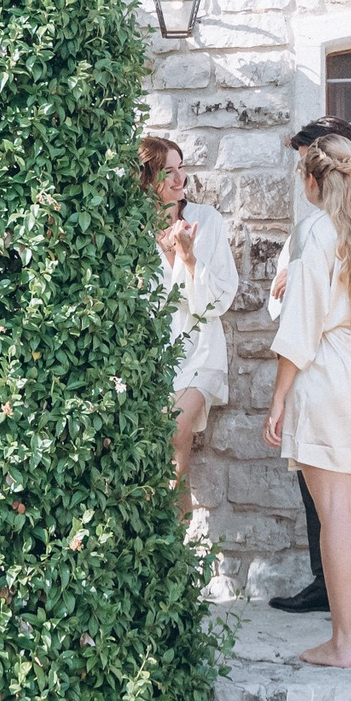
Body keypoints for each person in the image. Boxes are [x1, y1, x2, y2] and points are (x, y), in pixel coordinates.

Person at [264, 130, 351, 668]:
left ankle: (340, 644)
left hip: (327, 378)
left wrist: (279, 398)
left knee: (335, 515)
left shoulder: (315, 232)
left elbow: (301, 327)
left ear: (313, 180)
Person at [141, 136, 236, 516]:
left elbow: (222, 296)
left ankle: (168, 533)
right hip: (155, 358)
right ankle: (172, 541)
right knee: (171, 451)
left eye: (181, 168)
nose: (180, 178)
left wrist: (190, 258)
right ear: (148, 178)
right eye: (168, 171)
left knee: (174, 428)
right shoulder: (133, 231)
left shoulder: (205, 220)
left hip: (201, 351)